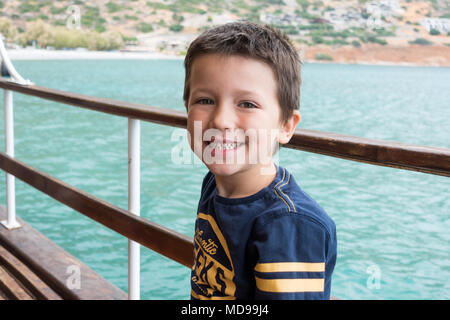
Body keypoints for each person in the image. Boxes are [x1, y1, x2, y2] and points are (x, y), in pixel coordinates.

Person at [183, 21, 337, 300]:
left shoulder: (289, 224)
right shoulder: (215, 184)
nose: (221, 120)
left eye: (247, 104)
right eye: (205, 100)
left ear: (286, 126)